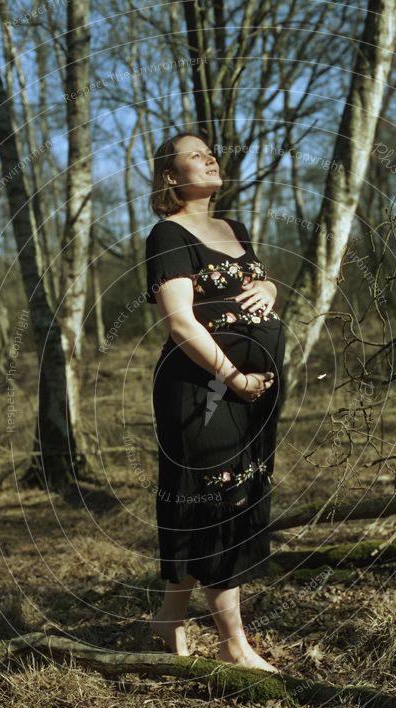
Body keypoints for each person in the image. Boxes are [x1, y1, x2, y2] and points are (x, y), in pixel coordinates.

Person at [145, 132, 286, 673]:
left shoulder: (234, 228)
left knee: (231, 492)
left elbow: (257, 280)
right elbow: (179, 319)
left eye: (210, 151)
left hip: (252, 389)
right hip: (201, 388)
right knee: (213, 499)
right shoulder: (168, 234)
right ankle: (234, 644)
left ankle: (169, 617)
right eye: (193, 154)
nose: (209, 157)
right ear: (171, 177)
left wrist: (270, 291)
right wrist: (232, 375)